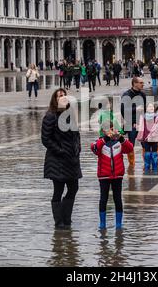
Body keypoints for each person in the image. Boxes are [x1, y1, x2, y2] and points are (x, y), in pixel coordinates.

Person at [42, 88, 82, 229]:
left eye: (65, 95)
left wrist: (77, 148)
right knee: (58, 191)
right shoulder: (50, 116)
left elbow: (76, 134)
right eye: (60, 96)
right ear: (55, 99)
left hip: (72, 159)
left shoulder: (70, 114)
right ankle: (59, 222)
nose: (63, 97)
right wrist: (60, 150)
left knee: (74, 188)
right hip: (57, 159)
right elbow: (45, 139)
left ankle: (67, 218)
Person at [91, 120, 133, 230]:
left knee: (118, 199)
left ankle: (119, 225)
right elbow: (95, 149)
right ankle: (102, 224)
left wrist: (121, 138)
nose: (110, 131)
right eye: (107, 129)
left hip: (117, 176)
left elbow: (130, 149)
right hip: (104, 176)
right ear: (103, 131)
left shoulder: (119, 142)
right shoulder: (99, 142)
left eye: (111, 128)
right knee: (103, 199)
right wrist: (105, 139)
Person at [121, 77, 146, 167]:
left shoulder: (143, 94)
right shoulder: (127, 95)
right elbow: (123, 110)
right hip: (131, 125)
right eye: (141, 82)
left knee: (145, 145)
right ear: (134, 84)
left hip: (142, 124)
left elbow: (145, 110)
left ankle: (146, 166)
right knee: (131, 146)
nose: (143, 84)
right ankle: (132, 166)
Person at [137, 103, 158, 171]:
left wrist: (155, 136)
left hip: (154, 138)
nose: (151, 108)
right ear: (146, 109)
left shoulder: (157, 117)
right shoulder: (142, 117)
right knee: (147, 154)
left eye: (152, 107)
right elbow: (141, 127)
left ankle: (155, 168)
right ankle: (147, 167)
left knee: (154, 154)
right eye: (149, 106)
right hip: (145, 138)